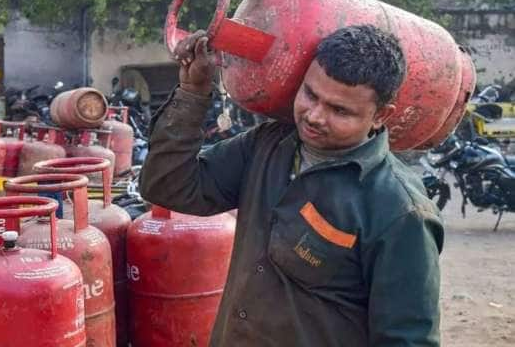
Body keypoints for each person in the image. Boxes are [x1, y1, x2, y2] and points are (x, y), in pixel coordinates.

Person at [139, 25, 443, 347]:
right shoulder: (269, 145)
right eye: (310, 94)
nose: (314, 116)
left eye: (339, 110)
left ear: (381, 115)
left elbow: (407, 340)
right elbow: (166, 186)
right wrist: (192, 92)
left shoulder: (400, 212)